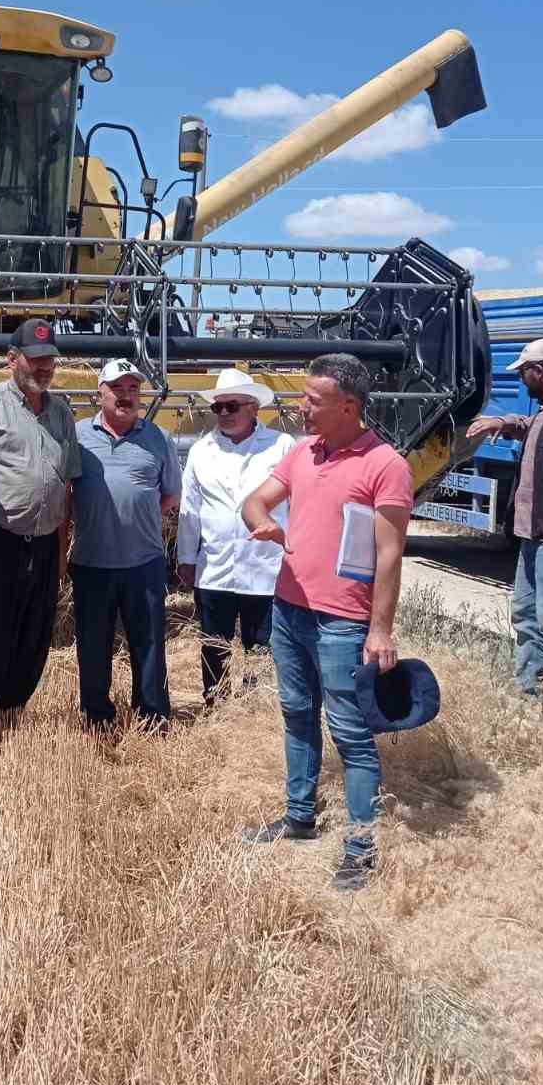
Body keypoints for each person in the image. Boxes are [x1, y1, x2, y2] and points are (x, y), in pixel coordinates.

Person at [241, 353, 414, 892]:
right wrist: (263, 523)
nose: (302, 408)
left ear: (349, 406)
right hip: (289, 608)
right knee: (296, 714)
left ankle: (361, 847)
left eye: (313, 401)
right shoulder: (301, 453)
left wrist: (380, 629)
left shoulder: (387, 465)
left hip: (343, 621)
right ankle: (299, 818)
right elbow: (255, 501)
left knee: (351, 734)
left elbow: (389, 555)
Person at [0, 318, 81, 749]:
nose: (44, 368)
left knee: (32, 637)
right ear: (12, 359)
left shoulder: (61, 413)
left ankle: (9, 716)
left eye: (50, 361)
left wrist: (60, 555)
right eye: (36, 359)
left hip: (42, 545)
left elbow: (64, 487)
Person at [467, 337, 543, 724]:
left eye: (523, 373)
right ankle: (529, 693)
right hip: (534, 536)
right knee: (527, 614)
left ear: (538, 372)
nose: (521, 380)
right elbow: (532, 428)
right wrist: (502, 422)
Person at [69, 358, 181, 731]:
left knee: (148, 644)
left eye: (133, 388)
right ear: (99, 393)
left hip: (144, 561)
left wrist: (138, 517)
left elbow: (169, 496)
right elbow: (66, 491)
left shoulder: (157, 438)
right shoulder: (78, 435)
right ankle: (97, 717)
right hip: (91, 562)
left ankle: (152, 716)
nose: (126, 396)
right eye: (117, 388)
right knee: (93, 647)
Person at [177, 370, 296, 709]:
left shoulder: (282, 446)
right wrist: (186, 557)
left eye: (232, 406)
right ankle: (216, 707)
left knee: (261, 645)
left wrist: (294, 549)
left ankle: (257, 710)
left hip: (266, 566)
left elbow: (299, 502)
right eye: (218, 408)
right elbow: (190, 507)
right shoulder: (202, 450)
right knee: (214, 644)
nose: (224, 414)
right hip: (214, 566)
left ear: (254, 407)